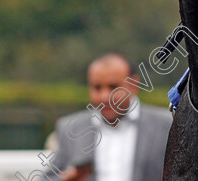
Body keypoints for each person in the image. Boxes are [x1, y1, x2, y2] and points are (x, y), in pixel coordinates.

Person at [42, 53, 172, 181]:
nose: (104, 96)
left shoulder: (166, 125)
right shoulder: (71, 128)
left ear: (133, 85)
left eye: (113, 87)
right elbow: (49, 177)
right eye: (97, 87)